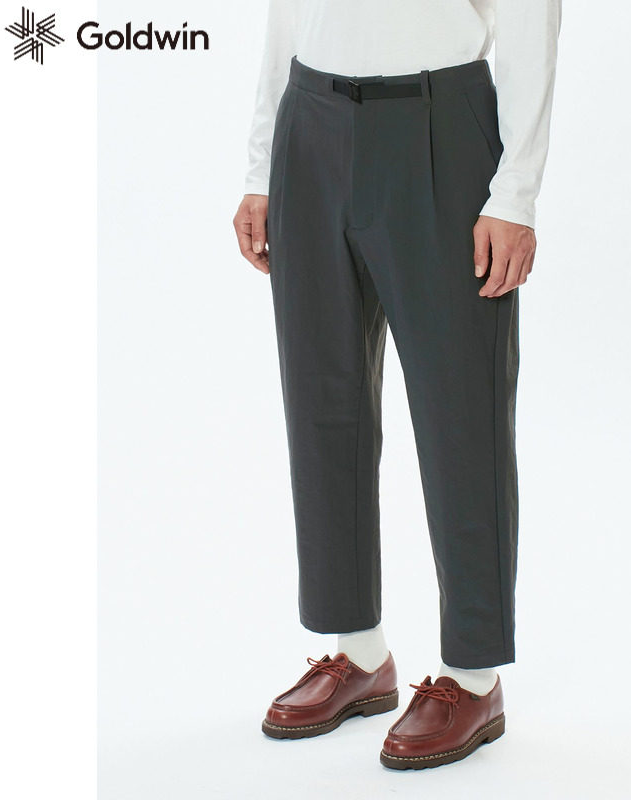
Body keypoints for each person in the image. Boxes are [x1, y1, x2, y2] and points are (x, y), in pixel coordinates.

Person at [232, 0, 562, 770]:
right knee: (323, 406)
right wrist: (260, 168)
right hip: (310, 122)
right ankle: (359, 654)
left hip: (438, 127)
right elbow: (288, 15)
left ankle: (473, 678)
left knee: (460, 414)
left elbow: (529, 24)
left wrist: (514, 195)